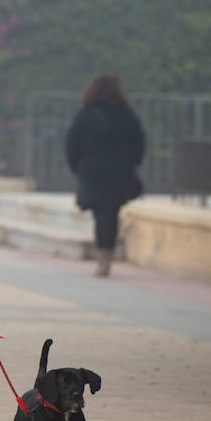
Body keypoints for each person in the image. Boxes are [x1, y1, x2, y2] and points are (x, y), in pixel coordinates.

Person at [65, 72, 145, 277]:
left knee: (101, 214)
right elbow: (139, 142)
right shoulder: (127, 114)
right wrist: (133, 163)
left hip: (93, 172)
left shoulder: (85, 114)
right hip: (120, 171)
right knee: (111, 212)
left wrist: (78, 167)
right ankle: (106, 255)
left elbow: (72, 144)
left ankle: (103, 257)